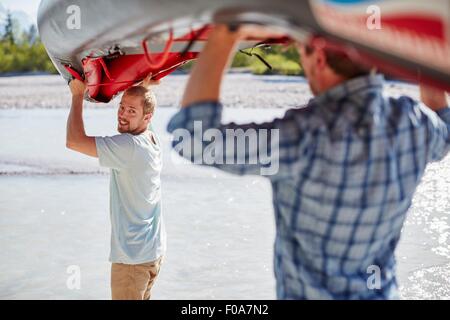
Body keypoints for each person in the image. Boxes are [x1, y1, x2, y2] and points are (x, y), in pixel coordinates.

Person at [167, 24, 450, 299]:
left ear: (319, 57)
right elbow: (445, 129)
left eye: (302, 53)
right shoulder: (416, 124)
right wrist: (420, 51)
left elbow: (193, 138)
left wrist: (225, 33)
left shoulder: (304, 136)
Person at [66, 74, 165, 300]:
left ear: (147, 117)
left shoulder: (128, 147)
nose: (123, 115)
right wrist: (144, 87)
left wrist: (77, 95)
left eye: (131, 111)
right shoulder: (151, 139)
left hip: (132, 260)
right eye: (122, 107)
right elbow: (142, 109)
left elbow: (74, 141)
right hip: (153, 254)